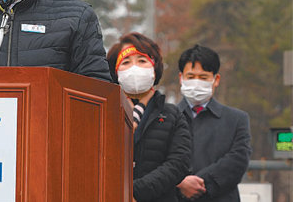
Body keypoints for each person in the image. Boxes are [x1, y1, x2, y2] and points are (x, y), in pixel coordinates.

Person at [106, 32, 191, 202]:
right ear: (115, 72)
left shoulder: (172, 115)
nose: (134, 68)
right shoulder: (105, 111)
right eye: (126, 62)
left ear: (154, 68)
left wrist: (134, 192)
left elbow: (178, 163)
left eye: (142, 61)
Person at [176, 45, 251, 202]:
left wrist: (196, 185)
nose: (196, 83)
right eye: (190, 77)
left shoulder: (236, 120)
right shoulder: (166, 118)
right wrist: (179, 183)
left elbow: (238, 161)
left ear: (216, 80)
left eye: (203, 77)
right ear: (181, 78)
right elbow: (156, 161)